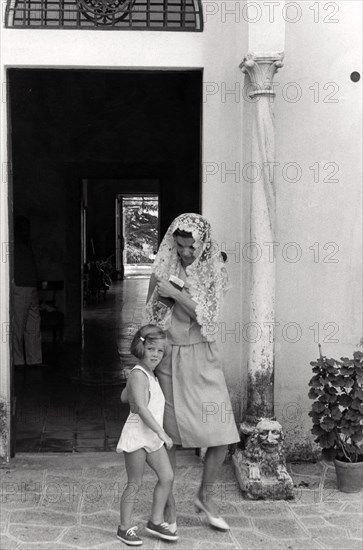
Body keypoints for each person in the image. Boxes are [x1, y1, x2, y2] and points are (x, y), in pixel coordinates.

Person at [143, 213, 240, 533]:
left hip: (203, 354)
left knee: (222, 433)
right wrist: (161, 295)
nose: (185, 252)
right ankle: (168, 505)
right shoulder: (165, 265)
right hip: (170, 356)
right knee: (166, 435)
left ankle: (205, 495)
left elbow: (205, 316)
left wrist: (177, 295)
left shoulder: (214, 268)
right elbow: (152, 311)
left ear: (203, 244)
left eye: (190, 247)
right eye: (180, 246)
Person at [116, 325, 178, 546]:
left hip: (150, 436)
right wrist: (163, 433)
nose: (155, 355)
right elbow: (141, 409)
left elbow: (125, 398)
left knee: (167, 476)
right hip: (137, 435)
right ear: (141, 347)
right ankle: (124, 528)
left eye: (160, 351)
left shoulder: (148, 374)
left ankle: (156, 520)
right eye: (151, 349)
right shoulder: (139, 374)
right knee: (135, 482)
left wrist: (130, 390)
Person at [13, 215, 43, 367]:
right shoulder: (13, 244)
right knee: (18, 326)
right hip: (21, 286)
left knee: (32, 326)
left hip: (29, 287)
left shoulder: (23, 244)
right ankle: (18, 361)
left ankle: (34, 360)